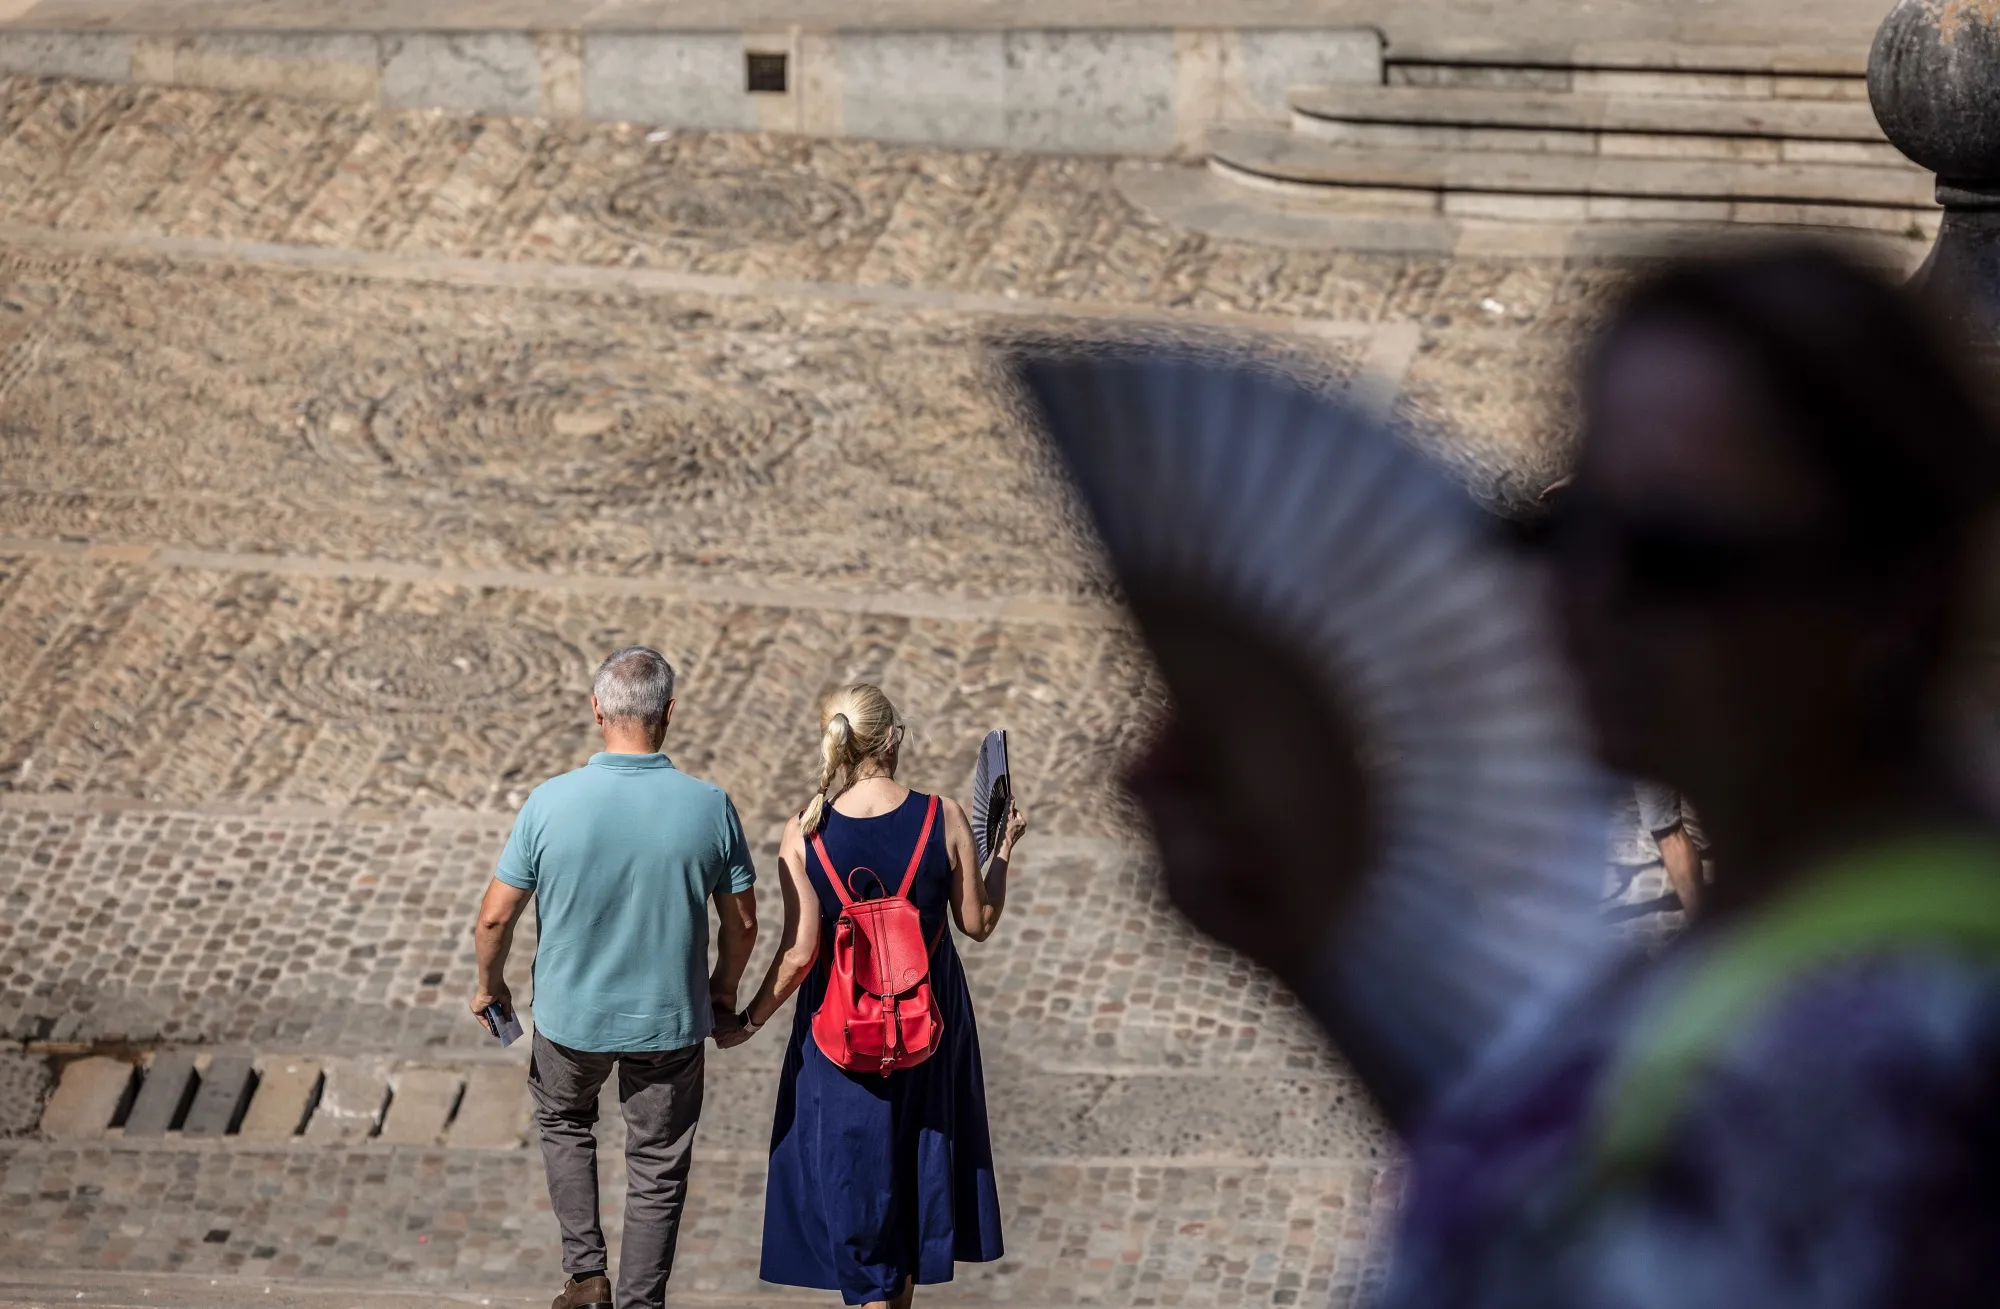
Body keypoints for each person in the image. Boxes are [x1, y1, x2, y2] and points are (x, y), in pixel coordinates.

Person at [1125, 247, 2000, 1304]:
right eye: (1560, 531)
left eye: (1670, 556)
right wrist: (1311, 946)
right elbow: (1561, 1196)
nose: (1587, 600)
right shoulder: (1811, 933)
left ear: (1889, 594)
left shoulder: (1860, 1064)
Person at [470, 647, 758, 1309]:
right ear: (669, 714)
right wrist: (722, 989)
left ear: (597, 709)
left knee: (566, 1122)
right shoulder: (709, 807)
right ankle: (640, 1301)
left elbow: (494, 918)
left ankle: (586, 1275)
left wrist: (492, 985)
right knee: (657, 1163)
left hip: (571, 1019)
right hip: (671, 1021)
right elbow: (742, 921)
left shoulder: (549, 802)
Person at [723, 684, 1024, 1308]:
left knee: (856, 1196)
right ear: (893, 738)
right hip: (928, 1032)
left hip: (841, 1040)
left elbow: (800, 953)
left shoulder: (804, 834)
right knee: (914, 1185)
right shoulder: (940, 816)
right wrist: (1001, 851)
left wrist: (747, 1021)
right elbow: (979, 921)